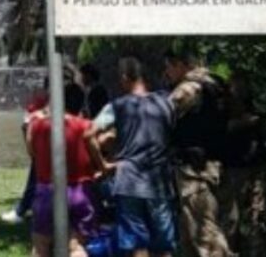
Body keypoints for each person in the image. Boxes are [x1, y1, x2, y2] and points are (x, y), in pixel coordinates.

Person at [87, 56, 177, 257]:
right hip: (159, 181)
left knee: (137, 244)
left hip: (128, 181)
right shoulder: (166, 102)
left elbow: (88, 132)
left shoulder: (117, 105)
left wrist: (103, 165)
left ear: (125, 78)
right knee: (165, 246)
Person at [165, 50, 232, 257]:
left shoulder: (188, 88)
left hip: (194, 172)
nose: (165, 73)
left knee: (206, 237)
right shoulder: (217, 84)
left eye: (168, 67)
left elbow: (162, 115)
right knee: (190, 236)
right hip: (216, 165)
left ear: (180, 65)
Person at [27, 82, 98, 257]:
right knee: (76, 246)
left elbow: (32, 152)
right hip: (79, 192)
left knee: (41, 245)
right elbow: (94, 155)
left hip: (47, 191)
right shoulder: (86, 126)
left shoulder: (38, 125)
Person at [218, 72, 266, 257]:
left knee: (256, 218)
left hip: (254, 167)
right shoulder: (223, 105)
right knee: (231, 219)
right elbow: (221, 131)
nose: (238, 89)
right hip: (233, 168)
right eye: (235, 85)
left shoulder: (252, 104)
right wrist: (241, 123)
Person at [1, 77, 50, 224]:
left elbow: (27, 129)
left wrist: (31, 150)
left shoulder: (42, 106)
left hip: (43, 146)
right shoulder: (45, 103)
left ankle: (21, 211)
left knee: (35, 179)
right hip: (45, 145)